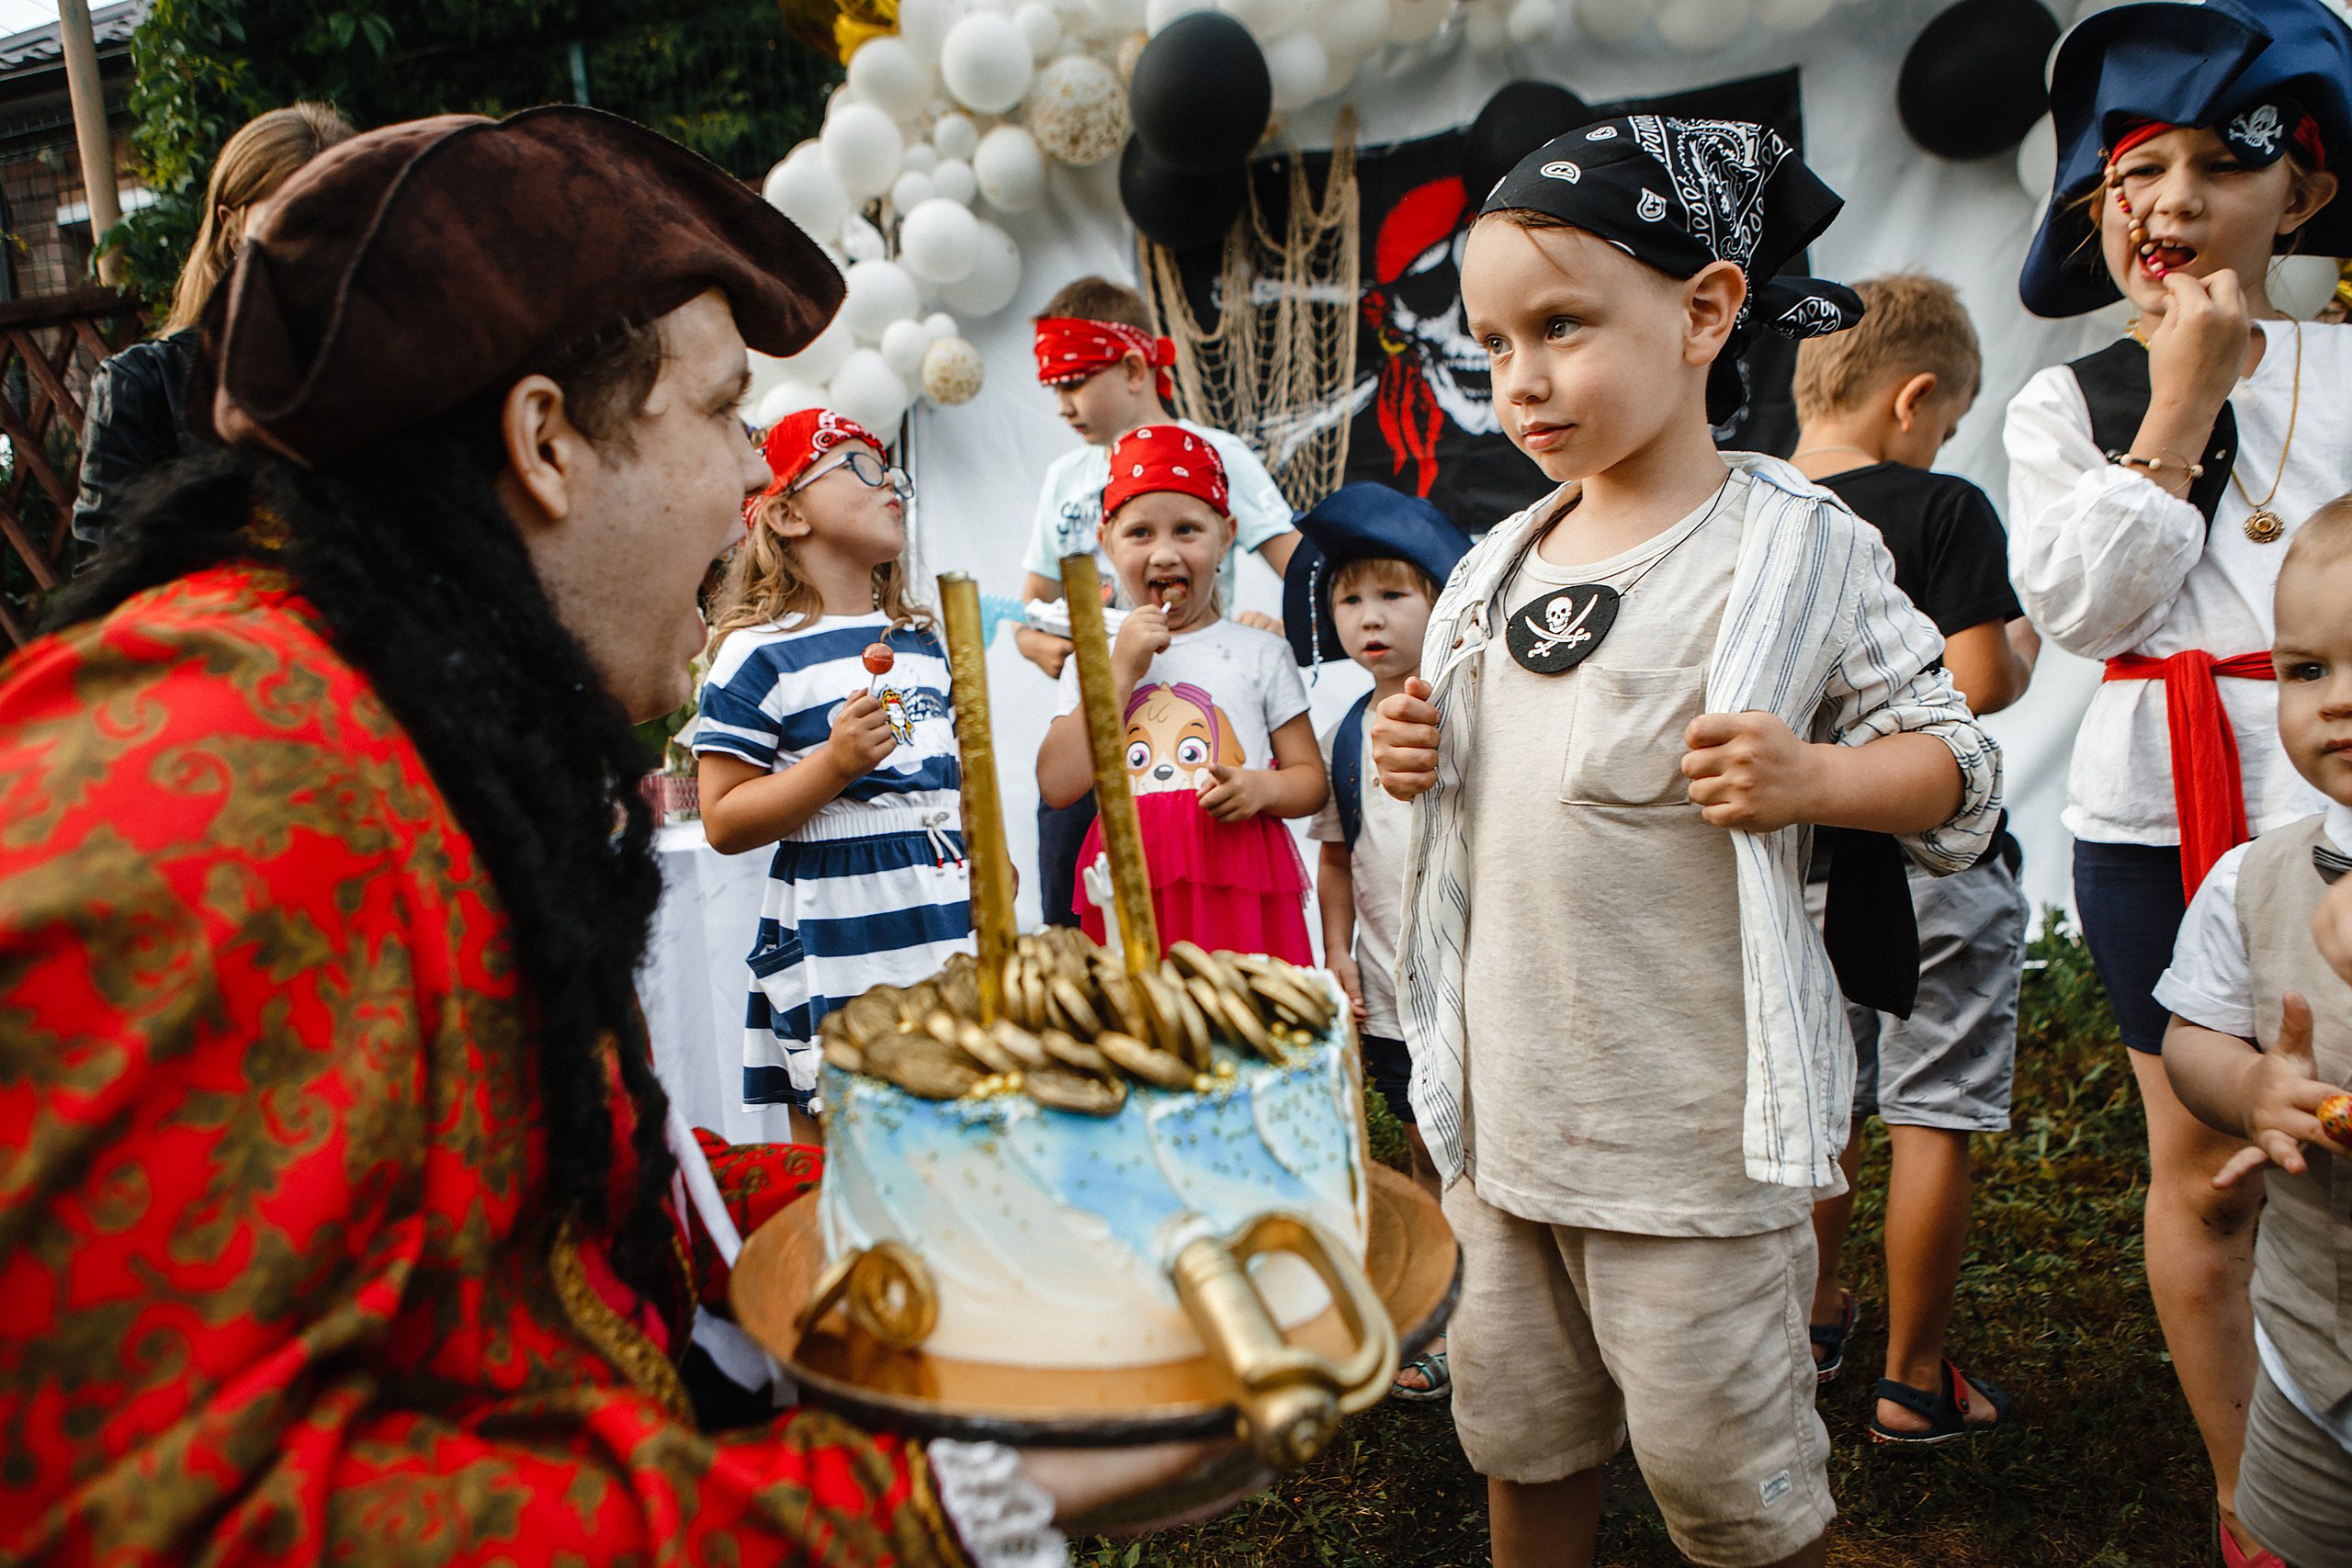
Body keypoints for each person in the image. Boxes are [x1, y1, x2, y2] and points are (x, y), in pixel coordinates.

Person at [0, 107, 1195, 1565]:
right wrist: (946, 1497)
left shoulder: (398, 707)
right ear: (546, 441)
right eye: (718, 415)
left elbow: (549, 1207)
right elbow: (164, 1512)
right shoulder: (223, 783)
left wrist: (920, 1193)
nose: (745, 485)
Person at [1371, 118, 2003, 1568]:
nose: (1520, 375)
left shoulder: (1795, 545)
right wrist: (1423, 753)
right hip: (1505, 1130)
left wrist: (1822, 774)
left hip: (1691, 1153)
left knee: (1733, 1491)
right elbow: (1496, 791)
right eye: (1494, 339)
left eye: (1564, 325)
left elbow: (1958, 765)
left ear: (1708, 311)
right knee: (1524, 1442)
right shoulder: (1493, 564)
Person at [2007, 2, 2352, 1552]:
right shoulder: (2065, 402)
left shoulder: (2348, 372)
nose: (2171, 202)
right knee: (2210, 1169)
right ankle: (2251, 1498)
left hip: (2330, 822)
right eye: (2135, 170)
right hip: (2155, 823)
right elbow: (2082, 611)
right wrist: (2183, 395)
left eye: (2223, 163)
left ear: (2310, 193)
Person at [1786, 274, 2040, 1442]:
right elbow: (1978, 682)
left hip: (1802, 864)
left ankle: (1812, 1321)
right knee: (1931, 1114)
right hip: (1934, 860)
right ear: (1917, 398)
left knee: (1820, 1103)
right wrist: (2019, 649)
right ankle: (1913, 1377)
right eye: (1947, 416)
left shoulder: (1754, 510)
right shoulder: (1943, 506)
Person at [2157, 500, 2352, 1568]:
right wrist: (2248, 1090)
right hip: (2309, 1357)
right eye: (2304, 671)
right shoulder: (2251, 880)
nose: (2339, 704)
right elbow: (2192, 1039)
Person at [694, 407, 973, 1139]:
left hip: (941, 912)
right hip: (839, 922)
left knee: (963, 1106)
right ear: (786, 512)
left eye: (894, 471)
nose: (894, 486)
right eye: (862, 465)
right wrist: (834, 764)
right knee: (854, 1129)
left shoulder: (918, 645)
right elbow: (723, 818)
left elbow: (949, 777)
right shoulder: (758, 653)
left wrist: (985, 854)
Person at [1014, 276, 1302, 928]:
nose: (1062, 405)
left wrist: (1277, 628)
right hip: (1095, 725)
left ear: (1136, 366)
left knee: (1205, 929)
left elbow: (1302, 569)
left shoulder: (1219, 453)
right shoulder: (1065, 478)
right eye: (1054, 389)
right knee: (1080, 927)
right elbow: (1032, 607)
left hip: (1194, 728)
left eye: (1073, 381)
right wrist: (1042, 644)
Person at [1284, 479, 1468, 1404]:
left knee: (1495, 1149)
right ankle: (1441, 1309)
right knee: (1426, 1147)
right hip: (1393, 988)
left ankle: (1508, 1306)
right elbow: (1333, 854)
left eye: (1393, 595)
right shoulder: (1345, 732)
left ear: (1440, 598)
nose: (1369, 618)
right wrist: (1337, 948)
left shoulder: (1473, 712)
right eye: (1350, 598)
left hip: (1483, 983)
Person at [1035, 426, 1324, 962]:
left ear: (1226, 536)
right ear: (1105, 543)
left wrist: (1262, 789)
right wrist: (1118, 673)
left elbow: (1311, 783)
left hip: (1238, 882)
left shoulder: (1262, 652)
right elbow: (1057, 785)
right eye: (1140, 533)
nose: (1164, 554)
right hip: (1130, 881)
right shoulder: (1093, 663)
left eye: (1187, 530)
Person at [71, 103, 354, 547]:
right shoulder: (142, 389)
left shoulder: (386, 371)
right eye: (284, 222)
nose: (306, 250)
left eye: (331, 226)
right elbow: (106, 579)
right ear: (233, 230)